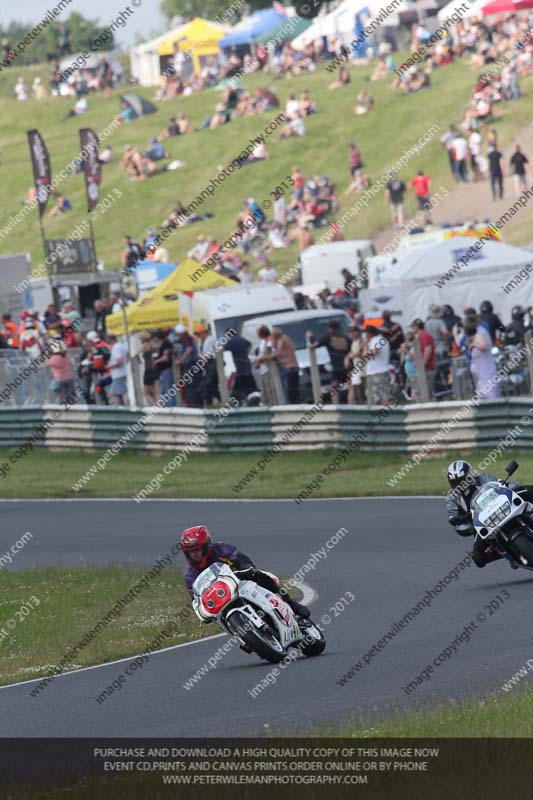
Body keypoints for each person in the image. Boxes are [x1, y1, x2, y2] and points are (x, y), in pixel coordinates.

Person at [180, 525, 310, 620]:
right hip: (223, 598)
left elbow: (242, 559)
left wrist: (247, 569)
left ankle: (292, 605)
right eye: (190, 552)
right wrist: (203, 612)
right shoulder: (190, 576)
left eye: (197, 550)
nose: (194, 555)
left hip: (241, 581)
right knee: (218, 619)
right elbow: (196, 600)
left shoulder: (220, 549)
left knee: (261, 575)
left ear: (207, 546)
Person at [446, 460, 533, 568]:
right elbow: (455, 521)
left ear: (470, 475)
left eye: (463, 480)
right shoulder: (452, 498)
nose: (461, 484)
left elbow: (500, 484)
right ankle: (508, 551)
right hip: (483, 523)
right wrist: (464, 524)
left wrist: (512, 487)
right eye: (456, 482)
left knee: (528, 490)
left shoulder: (481, 477)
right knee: (478, 558)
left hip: (502, 506)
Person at [307, 320, 351, 405]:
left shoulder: (328, 337)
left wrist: (309, 341)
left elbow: (314, 346)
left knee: (334, 388)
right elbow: (350, 351)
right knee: (351, 388)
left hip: (337, 367)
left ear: (330, 329)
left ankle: (336, 406)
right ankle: (353, 405)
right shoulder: (346, 338)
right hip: (348, 366)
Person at [465, 322, 500, 399]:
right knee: (481, 391)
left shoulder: (479, 336)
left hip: (486, 369)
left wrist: (474, 344)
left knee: (489, 389)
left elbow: (484, 347)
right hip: (479, 372)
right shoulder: (470, 340)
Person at [223, 330, 257, 403]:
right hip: (247, 364)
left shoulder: (230, 341)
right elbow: (249, 345)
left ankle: (234, 399)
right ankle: (252, 396)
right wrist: (245, 352)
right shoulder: (242, 339)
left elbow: (222, 349)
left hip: (239, 366)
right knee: (249, 382)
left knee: (239, 384)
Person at [271, 326, 299, 404]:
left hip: (288, 367)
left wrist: (268, 357)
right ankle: (295, 402)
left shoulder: (281, 339)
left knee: (290, 389)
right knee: (294, 387)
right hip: (294, 366)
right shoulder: (286, 338)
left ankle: (293, 404)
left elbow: (278, 352)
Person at [363, 325, 391, 405]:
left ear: (369, 334)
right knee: (378, 396)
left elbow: (374, 351)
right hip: (376, 372)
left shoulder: (377, 340)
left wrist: (365, 352)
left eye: (366, 333)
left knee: (381, 397)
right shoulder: (377, 340)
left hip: (377, 373)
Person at [410, 319, 436, 400]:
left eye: (412, 327)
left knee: (424, 393)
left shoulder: (425, 336)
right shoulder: (421, 336)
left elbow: (428, 350)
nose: (411, 329)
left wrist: (422, 365)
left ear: (417, 327)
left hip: (427, 369)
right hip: (424, 368)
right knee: (421, 392)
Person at [47, 339, 75, 404]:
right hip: (70, 378)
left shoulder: (55, 358)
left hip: (60, 380)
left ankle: (64, 411)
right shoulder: (67, 356)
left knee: (62, 397)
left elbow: (46, 364)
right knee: (70, 396)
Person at [86, 331, 112, 405]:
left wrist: (90, 366)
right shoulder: (104, 344)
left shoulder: (98, 348)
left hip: (107, 371)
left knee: (98, 386)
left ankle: (105, 404)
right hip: (109, 370)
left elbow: (98, 364)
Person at [153, 330, 175, 407]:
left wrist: (156, 361)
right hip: (163, 370)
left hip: (166, 369)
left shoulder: (165, 345)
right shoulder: (163, 344)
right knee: (163, 390)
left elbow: (166, 358)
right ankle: (166, 407)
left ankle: (171, 407)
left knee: (168, 390)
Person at [107, 333, 129, 406]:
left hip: (118, 374)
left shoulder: (116, 348)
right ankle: (122, 408)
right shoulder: (122, 345)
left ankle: (123, 409)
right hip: (122, 372)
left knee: (119, 393)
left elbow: (120, 361)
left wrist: (109, 366)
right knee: (116, 392)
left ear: (111, 340)